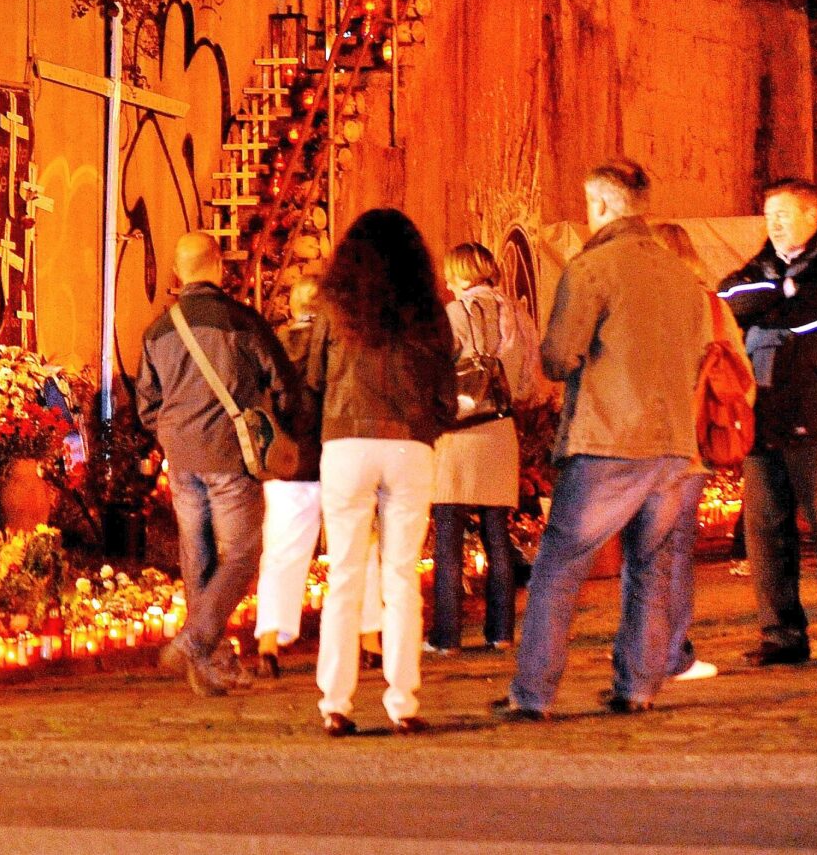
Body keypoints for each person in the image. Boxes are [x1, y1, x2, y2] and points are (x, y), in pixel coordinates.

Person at [501, 160, 713, 721]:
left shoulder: (591, 269)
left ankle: (535, 693)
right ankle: (638, 687)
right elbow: (698, 355)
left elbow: (557, 357)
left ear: (600, 205)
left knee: (559, 568)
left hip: (608, 440)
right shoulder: (681, 276)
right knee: (650, 568)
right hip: (672, 444)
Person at [298, 208, 457, 735]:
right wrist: (428, 425)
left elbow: (314, 377)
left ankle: (336, 703)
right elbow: (444, 384)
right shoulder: (428, 309)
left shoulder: (333, 307)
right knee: (401, 576)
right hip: (409, 445)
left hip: (345, 442)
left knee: (344, 575)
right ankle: (403, 700)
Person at [717, 178, 817, 668]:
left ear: (812, 214)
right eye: (769, 215)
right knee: (765, 532)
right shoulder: (763, 266)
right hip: (762, 417)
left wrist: (768, 307)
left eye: (783, 213)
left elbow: (815, 315)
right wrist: (776, 290)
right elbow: (727, 299)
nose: (775, 224)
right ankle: (781, 634)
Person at [133, 231, 291, 696]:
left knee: (198, 558)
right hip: (230, 454)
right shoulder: (242, 322)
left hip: (181, 458)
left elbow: (146, 403)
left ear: (179, 272)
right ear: (219, 266)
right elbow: (282, 382)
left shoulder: (158, 330)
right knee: (241, 555)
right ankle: (197, 641)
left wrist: (170, 433)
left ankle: (213, 665)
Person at [653, 221, 753, 687]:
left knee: (644, 551)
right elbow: (741, 377)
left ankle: (641, 649)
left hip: (637, 443)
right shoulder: (711, 307)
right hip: (690, 446)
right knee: (674, 551)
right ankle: (673, 653)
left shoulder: (635, 303)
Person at [427, 242, 520, 653]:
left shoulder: (453, 314)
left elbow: (435, 368)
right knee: (496, 534)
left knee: (448, 535)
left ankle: (446, 636)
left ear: (464, 273)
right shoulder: (516, 317)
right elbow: (527, 377)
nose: (447, 281)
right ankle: (500, 633)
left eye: (451, 272)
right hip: (501, 429)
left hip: (460, 432)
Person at [251, 241, 328, 678]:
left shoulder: (273, 346)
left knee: (281, 552)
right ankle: (369, 637)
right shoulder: (338, 345)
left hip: (286, 462)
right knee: (358, 550)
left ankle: (269, 642)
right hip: (333, 454)